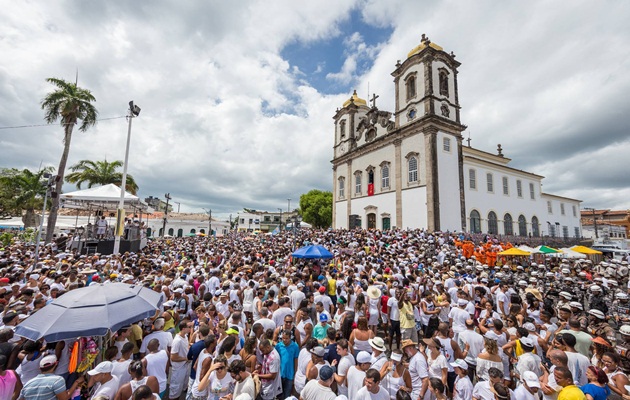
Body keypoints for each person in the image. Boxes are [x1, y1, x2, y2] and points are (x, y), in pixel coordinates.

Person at [18, 354, 84, 400]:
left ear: (39, 368)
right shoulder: (57, 380)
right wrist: (76, 382)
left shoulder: (28, 383)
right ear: (56, 364)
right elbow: (64, 398)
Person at [275, 329, 299, 400]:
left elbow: (296, 361)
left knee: (287, 395)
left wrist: (295, 374)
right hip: (280, 375)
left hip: (290, 375)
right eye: (283, 338)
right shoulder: (278, 346)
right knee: (279, 395)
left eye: (286, 338)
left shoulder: (295, 346)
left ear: (290, 337)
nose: (284, 340)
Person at [170, 321, 192, 400]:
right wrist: (185, 358)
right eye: (189, 327)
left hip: (185, 366)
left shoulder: (185, 336)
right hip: (178, 368)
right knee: (175, 388)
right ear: (183, 329)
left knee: (182, 385)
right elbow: (173, 357)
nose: (190, 329)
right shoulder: (177, 341)